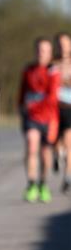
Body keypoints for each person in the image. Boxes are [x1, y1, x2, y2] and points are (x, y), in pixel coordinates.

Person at [18, 37, 60, 203]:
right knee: (31, 144)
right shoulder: (28, 70)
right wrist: (22, 108)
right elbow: (22, 93)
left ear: (50, 53)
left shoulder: (53, 71)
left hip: (49, 118)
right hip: (31, 118)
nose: (41, 53)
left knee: (45, 153)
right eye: (38, 50)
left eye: (44, 50)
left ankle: (43, 183)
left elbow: (52, 97)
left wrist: (33, 105)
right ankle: (31, 184)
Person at [53, 32, 71, 193]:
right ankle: (58, 155)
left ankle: (67, 177)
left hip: (69, 107)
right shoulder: (53, 63)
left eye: (65, 43)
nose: (62, 46)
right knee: (55, 141)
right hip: (54, 107)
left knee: (69, 140)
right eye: (60, 43)